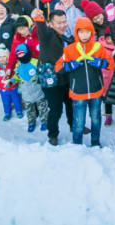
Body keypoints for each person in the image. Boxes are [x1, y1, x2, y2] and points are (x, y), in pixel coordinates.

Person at [55, 17, 115, 146]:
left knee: (96, 119)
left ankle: (95, 142)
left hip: (96, 91)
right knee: (78, 122)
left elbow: (111, 64)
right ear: (76, 33)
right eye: (81, 32)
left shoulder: (98, 48)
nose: (84, 35)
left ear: (91, 32)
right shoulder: (70, 50)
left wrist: (101, 62)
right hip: (78, 93)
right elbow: (58, 67)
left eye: (87, 31)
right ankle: (77, 144)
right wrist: (70, 65)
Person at [31, 8, 73, 146]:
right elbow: (41, 30)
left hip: (65, 78)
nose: (63, 25)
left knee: (70, 105)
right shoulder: (47, 34)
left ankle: (74, 126)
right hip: (51, 80)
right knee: (56, 109)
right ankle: (52, 134)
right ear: (51, 24)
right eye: (59, 23)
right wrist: (38, 19)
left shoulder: (66, 37)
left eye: (64, 21)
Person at [13, 43, 48, 132]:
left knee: (42, 107)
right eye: (19, 54)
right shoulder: (18, 65)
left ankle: (44, 121)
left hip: (37, 89)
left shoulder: (35, 62)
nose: (21, 55)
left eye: (22, 53)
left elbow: (42, 71)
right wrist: (12, 81)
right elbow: (17, 76)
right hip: (26, 91)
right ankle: (31, 122)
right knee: (29, 109)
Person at [0, 44, 23, 122]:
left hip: (13, 87)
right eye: (0, 57)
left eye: (4, 57)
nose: (2, 59)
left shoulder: (12, 65)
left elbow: (17, 74)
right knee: (5, 102)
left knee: (16, 100)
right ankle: (7, 113)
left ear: (8, 57)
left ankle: (19, 111)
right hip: (3, 89)